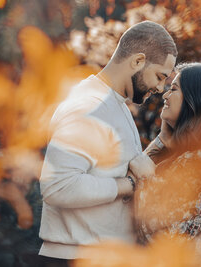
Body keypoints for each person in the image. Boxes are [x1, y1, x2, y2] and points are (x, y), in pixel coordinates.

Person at [38, 20, 177, 262]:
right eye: (159, 76)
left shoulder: (114, 104)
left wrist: (163, 140)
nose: (160, 87)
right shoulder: (89, 106)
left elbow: (117, 165)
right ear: (137, 61)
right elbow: (57, 186)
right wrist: (129, 185)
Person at [130, 62, 201, 257]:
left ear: (195, 99)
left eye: (174, 89)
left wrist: (144, 176)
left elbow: (158, 233)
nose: (165, 95)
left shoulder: (200, 162)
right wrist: (162, 139)